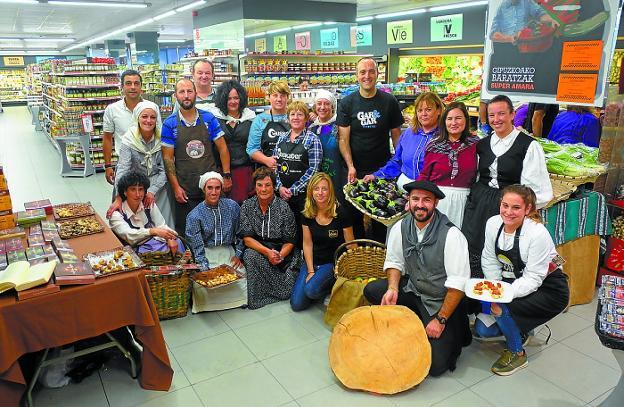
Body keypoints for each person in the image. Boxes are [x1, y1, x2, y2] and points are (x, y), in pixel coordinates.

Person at [363, 180, 471, 377]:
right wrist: (393, 288)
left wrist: (440, 319)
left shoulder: (452, 235)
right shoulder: (400, 227)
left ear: (436, 203)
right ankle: (415, 318)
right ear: (409, 201)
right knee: (372, 290)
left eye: (427, 200)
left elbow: (458, 285)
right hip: (414, 289)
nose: (420, 205)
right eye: (415, 199)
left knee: (436, 366)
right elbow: (395, 262)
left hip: (439, 301)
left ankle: (448, 322)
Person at [475, 184, 569, 375]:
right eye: (505, 205)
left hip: (549, 289)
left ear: (528, 209)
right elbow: (489, 258)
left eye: (516, 208)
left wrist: (502, 296)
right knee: (483, 330)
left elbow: (534, 278)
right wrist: (495, 288)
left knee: (501, 309)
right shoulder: (493, 223)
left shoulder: (536, 233)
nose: (508, 212)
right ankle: (520, 329)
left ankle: (517, 353)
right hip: (515, 282)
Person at [462, 95, 553, 277]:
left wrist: (524, 211)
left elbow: (536, 188)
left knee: (503, 250)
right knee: (474, 246)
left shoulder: (528, 145)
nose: (496, 120)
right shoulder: (482, 144)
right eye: (492, 115)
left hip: (509, 205)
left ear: (512, 114)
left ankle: (504, 292)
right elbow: (478, 175)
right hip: (480, 204)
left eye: (502, 114)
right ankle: (474, 293)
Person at [337, 57, 404, 240]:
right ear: (356, 76)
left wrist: (399, 162)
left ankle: (381, 259)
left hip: (381, 170)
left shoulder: (389, 101)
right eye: (362, 72)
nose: (367, 76)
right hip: (354, 170)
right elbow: (343, 139)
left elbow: (396, 135)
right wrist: (350, 165)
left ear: (377, 74)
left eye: (371, 71)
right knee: (354, 217)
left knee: (382, 217)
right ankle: (359, 259)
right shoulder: (347, 103)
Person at [161, 78, 232, 235]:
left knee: (215, 227)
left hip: (210, 186)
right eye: (182, 92)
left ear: (195, 94)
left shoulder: (208, 118)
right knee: (188, 230)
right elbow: (167, 159)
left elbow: (223, 147)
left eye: (189, 91)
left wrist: (226, 175)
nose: (186, 95)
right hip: (185, 187)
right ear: (175, 96)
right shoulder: (169, 124)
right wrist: (175, 187)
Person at [290, 172, 355, 311]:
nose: (320, 193)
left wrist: (353, 272)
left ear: (330, 191)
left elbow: (351, 245)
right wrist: (311, 270)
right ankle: (319, 286)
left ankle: (330, 286)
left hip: (331, 264)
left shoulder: (341, 212)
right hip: (312, 262)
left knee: (311, 290)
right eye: (316, 189)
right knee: (297, 304)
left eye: (324, 189)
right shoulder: (307, 212)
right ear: (311, 191)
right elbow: (307, 244)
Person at [239, 167, 301, 309]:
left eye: (267, 185)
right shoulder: (247, 206)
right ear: (255, 187)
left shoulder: (284, 207)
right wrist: (267, 253)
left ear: (274, 186)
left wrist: (278, 256)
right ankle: (261, 296)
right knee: (249, 254)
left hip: (284, 254)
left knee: (287, 291)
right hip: (260, 251)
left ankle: (275, 289)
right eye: (259, 185)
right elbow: (247, 239)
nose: (263, 189)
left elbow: (290, 241)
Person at [185, 172, 247, 311]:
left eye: (217, 188)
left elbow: (241, 232)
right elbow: (196, 246)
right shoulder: (194, 215)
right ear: (203, 189)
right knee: (203, 284)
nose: (214, 192)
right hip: (206, 253)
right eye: (210, 188)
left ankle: (238, 302)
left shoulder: (232, 206)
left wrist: (238, 254)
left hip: (227, 251)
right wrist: (205, 268)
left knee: (241, 276)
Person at [108, 100, 174, 227]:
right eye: (144, 116)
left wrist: (151, 191)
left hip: (157, 186)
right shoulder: (129, 139)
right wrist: (119, 195)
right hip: (133, 185)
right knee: (133, 224)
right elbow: (123, 168)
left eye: (153, 117)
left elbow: (164, 170)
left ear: (157, 120)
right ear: (137, 118)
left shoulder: (162, 139)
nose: (148, 121)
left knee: (162, 223)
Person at [363, 91, 444, 192]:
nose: (423, 114)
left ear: (439, 110)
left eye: (428, 110)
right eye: (419, 110)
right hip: (405, 188)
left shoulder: (445, 136)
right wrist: (376, 176)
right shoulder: (409, 133)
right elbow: (397, 161)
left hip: (433, 191)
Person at [418, 102, 479, 228]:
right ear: (444, 122)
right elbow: (424, 175)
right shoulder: (433, 146)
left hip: (465, 202)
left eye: (458, 118)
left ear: (466, 120)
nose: (453, 123)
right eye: (449, 119)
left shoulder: (476, 145)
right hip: (438, 200)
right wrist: (417, 198)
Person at [274, 101, 323, 244]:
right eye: (292, 114)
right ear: (288, 118)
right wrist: (279, 187)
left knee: (304, 231)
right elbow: (275, 166)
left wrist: (293, 190)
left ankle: (303, 259)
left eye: (300, 114)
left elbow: (314, 170)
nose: (296, 117)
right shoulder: (281, 138)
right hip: (282, 195)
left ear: (306, 118)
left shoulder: (313, 140)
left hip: (303, 197)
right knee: (285, 230)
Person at [110, 171, 182, 254]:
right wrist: (152, 231)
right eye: (133, 189)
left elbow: (161, 225)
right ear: (125, 192)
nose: (137, 194)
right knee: (159, 251)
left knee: (178, 241)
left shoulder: (148, 205)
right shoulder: (116, 214)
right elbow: (129, 235)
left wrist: (170, 238)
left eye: (140, 189)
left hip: (152, 244)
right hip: (131, 252)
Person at [208, 80, 256, 203]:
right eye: (229, 98)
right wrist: (225, 175)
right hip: (221, 172)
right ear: (223, 100)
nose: (233, 101)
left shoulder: (250, 118)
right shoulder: (215, 118)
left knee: (245, 208)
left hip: (245, 172)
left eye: (236, 98)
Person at [103, 69, 149, 186]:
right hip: (124, 164)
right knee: (123, 199)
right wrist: (108, 166)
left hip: (149, 163)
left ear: (141, 87)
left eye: (136, 83)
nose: (133, 87)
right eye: (128, 83)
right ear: (122, 87)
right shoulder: (112, 110)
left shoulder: (151, 108)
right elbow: (107, 138)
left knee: (150, 200)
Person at [246, 80, 290, 170]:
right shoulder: (260, 120)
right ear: (268, 97)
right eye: (275, 95)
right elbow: (252, 148)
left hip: (292, 169)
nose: (279, 99)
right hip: (267, 171)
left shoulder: (294, 117)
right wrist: (266, 160)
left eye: (282, 96)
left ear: (288, 97)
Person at [490, 0, 559, 43]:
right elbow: (493, 34)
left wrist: (551, 21)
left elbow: (540, 13)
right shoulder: (502, 7)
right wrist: (509, 38)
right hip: (506, 48)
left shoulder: (527, 2)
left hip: (526, 43)